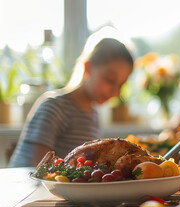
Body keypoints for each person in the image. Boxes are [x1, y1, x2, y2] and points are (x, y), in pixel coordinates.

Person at [9, 37, 134, 167]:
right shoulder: (54, 106)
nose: (116, 92)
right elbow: (39, 168)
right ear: (88, 68)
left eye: (121, 85)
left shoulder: (93, 115)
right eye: (110, 79)